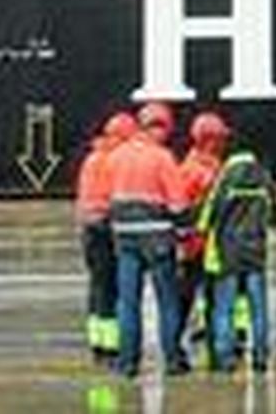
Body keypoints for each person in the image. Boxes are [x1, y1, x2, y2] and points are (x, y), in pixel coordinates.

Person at [106, 101, 190, 378]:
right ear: (161, 126)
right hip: (158, 238)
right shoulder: (162, 157)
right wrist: (184, 234)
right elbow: (178, 205)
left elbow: (108, 197)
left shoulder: (116, 157)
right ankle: (174, 360)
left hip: (124, 238)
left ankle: (127, 362)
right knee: (168, 300)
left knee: (128, 302)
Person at [198, 141, 276, 372]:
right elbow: (275, 216)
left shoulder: (225, 176)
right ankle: (260, 356)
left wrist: (201, 230)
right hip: (256, 252)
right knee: (259, 307)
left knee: (224, 307)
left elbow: (209, 212)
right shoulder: (263, 177)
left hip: (228, 252)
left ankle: (225, 357)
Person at [76, 112, 137, 365]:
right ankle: (111, 346)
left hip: (88, 228)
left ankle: (97, 343)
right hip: (108, 227)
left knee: (97, 287)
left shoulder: (92, 158)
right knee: (112, 288)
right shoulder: (116, 160)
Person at [174, 111, 230, 368]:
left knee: (211, 299)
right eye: (220, 138)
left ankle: (214, 348)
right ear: (207, 139)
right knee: (186, 300)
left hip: (211, 246)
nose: (223, 143)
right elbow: (182, 209)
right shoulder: (192, 170)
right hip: (196, 247)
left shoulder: (212, 165)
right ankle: (175, 346)